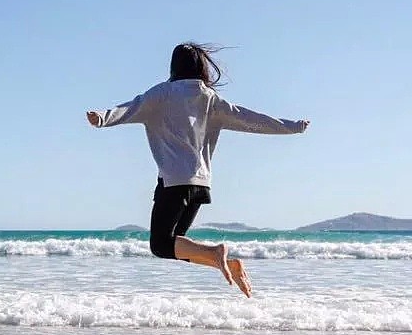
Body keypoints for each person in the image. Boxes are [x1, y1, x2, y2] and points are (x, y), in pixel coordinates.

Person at [86, 43, 309, 298]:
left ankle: (216, 254)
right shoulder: (210, 99)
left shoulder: (162, 94)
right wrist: (292, 126)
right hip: (201, 184)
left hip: (173, 183)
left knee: (160, 245)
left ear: (174, 66)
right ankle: (227, 263)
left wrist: (103, 117)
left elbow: (131, 108)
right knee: (178, 244)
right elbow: (249, 118)